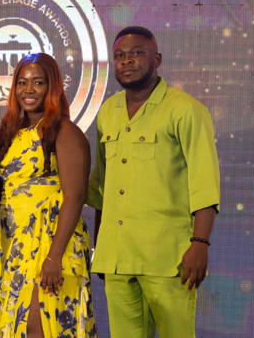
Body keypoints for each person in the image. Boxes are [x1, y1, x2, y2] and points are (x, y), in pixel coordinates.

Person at [88, 26, 220, 338]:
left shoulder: (185, 110)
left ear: (156, 59)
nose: (127, 61)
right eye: (119, 55)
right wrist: (102, 249)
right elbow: (103, 188)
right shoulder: (107, 112)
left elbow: (205, 185)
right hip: (117, 258)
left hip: (169, 258)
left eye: (137, 53)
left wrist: (200, 244)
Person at [0, 53, 97, 338]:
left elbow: (75, 196)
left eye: (38, 82)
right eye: (22, 82)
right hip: (15, 246)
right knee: (19, 328)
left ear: (53, 87)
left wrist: (54, 257)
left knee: (41, 326)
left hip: (52, 243)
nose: (28, 89)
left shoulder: (65, 130)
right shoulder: (11, 133)